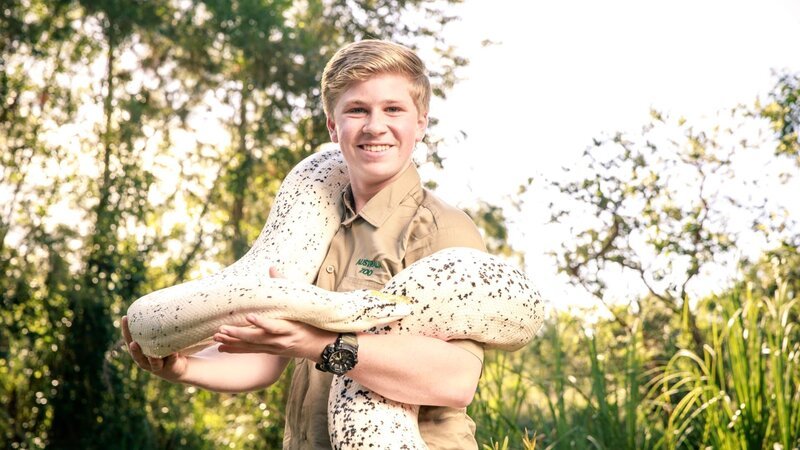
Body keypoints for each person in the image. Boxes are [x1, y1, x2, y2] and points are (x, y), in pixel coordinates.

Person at [122, 39, 487, 449]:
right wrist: (184, 367)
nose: (375, 126)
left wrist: (315, 343)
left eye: (393, 109)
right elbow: (267, 357)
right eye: (357, 110)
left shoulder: (443, 231)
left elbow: (456, 381)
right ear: (333, 126)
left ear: (420, 123)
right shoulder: (313, 224)